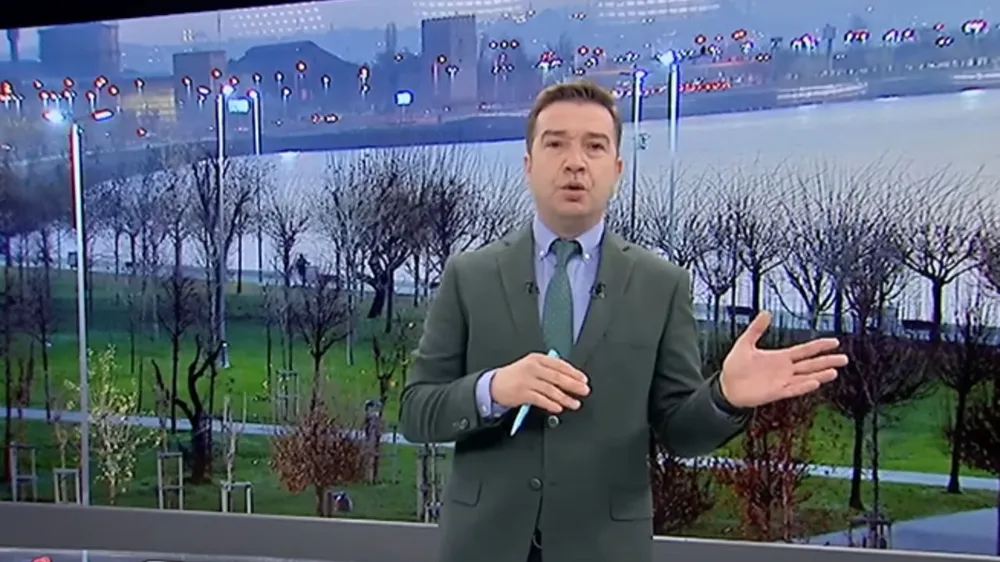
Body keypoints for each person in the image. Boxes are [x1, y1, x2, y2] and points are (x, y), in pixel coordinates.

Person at [398, 80, 848, 562]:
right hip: (483, 547)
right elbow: (416, 412)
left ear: (616, 169)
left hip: (605, 548)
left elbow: (678, 431)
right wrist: (495, 389)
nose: (575, 162)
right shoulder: (469, 276)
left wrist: (724, 396)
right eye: (556, 144)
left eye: (594, 146)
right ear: (528, 164)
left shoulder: (661, 285)